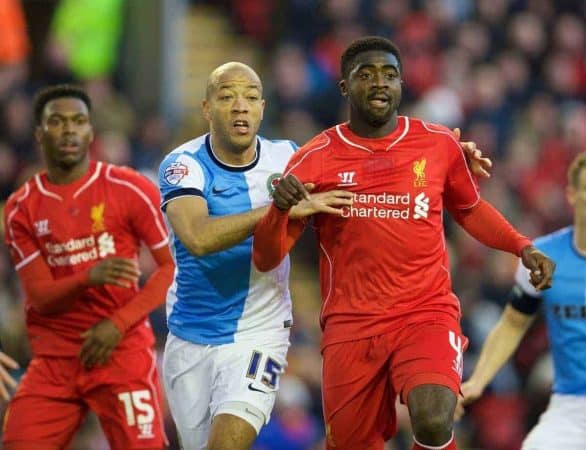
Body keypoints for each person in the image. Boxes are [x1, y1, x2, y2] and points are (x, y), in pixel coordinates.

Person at [158, 61, 491, 450]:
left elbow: (365, 166)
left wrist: (447, 156)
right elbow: (197, 237)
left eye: (249, 98)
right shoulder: (183, 166)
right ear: (206, 107)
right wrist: (278, 209)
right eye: (227, 97)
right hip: (190, 335)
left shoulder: (290, 158)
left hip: (260, 333)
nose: (239, 107)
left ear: (263, 108)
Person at [252, 36, 556, 450]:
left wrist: (523, 245)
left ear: (401, 84)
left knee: (433, 418)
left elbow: (469, 208)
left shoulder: (437, 145)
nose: (380, 83)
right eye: (367, 74)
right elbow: (268, 257)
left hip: (424, 311)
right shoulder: (315, 158)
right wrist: (279, 211)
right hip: (351, 325)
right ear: (344, 86)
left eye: (390, 75)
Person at [2, 84, 174, 450]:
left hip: (122, 351)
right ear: (38, 133)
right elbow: (41, 297)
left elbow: (168, 269)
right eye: (57, 122)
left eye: (78, 121)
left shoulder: (131, 189)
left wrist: (117, 324)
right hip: (56, 358)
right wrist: (88, 277)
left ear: (91, 131)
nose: (68, 130)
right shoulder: (21, 208)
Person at [456, 152, 586, 449]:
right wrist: (478, 381)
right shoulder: (544, 255)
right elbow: (513, 324)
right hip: (572, 405)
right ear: (572, 195)